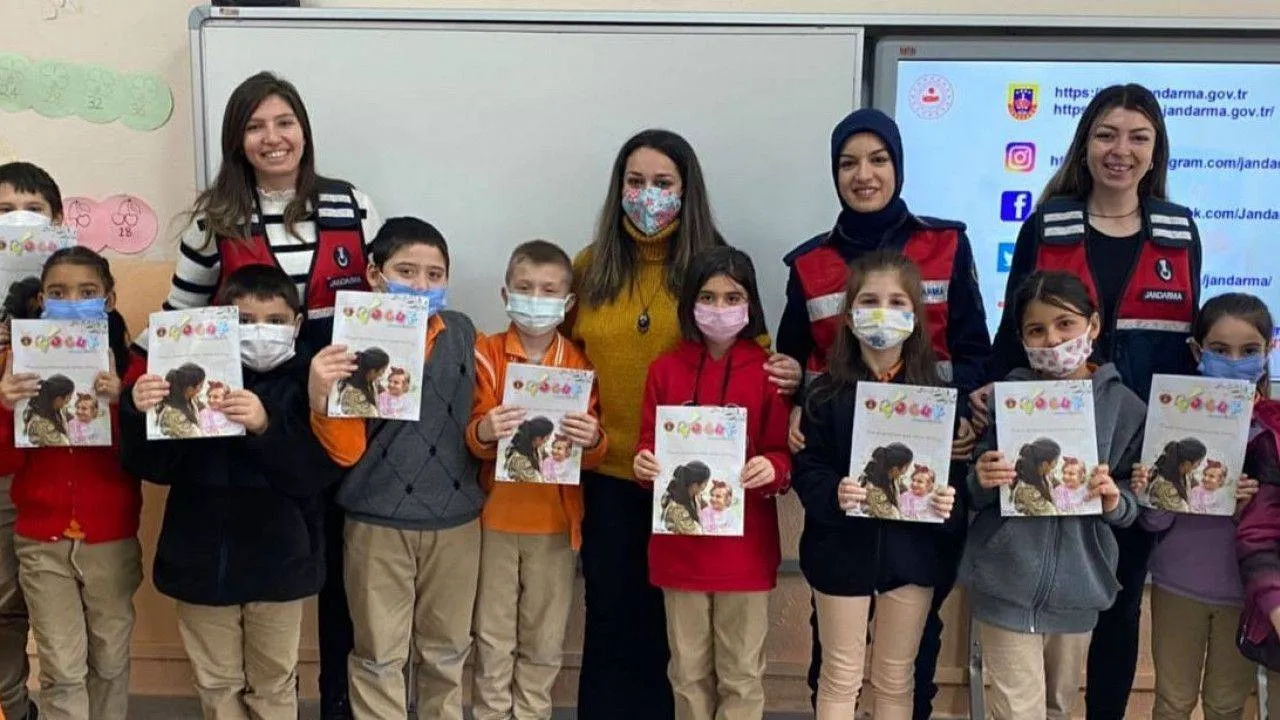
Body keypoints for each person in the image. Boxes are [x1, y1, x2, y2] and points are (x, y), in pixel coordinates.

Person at [974, 85, 1202, 717]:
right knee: (1051, 603)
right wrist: (989, 400)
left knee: (1122, 603)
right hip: (1048, 444)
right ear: (1084, 144)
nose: (1120, 150)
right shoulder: (1048, 224)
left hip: (1136, 454)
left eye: (1138, 137)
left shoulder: (1180, 231)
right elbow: (1011, 335)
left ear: (1156, 150)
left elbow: (1192, 344)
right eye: (1106, 135)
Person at [162, 72, 384, 720]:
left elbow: (384, 305)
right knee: (285, 563)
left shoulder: (352, 205)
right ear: (237, 139)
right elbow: (178, 318)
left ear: (303, 131)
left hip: (341, 415)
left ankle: (338, 704)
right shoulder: (215, 219)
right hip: (256, 422)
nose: (272, 137)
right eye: (255, 126)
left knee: (338, 574)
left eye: (284, 122)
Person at [567, 129, 799, 719]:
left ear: (685, 189)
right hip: (611, 473)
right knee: (611, 623)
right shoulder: (591, 267)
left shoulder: (715, 266)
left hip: (700, 488)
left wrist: (790, 376)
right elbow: (560, 359)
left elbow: (757, 359)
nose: (648, 195)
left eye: (662, 182)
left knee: (679, 645)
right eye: (635, 182)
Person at [778, 109, 988, 718]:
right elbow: (792, 358)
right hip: (841, 499)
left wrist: (960, 423)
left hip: (928, 487)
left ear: (898, 166)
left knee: (910, 666)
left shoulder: (947, 244)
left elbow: (975, 352)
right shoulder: (810, 263)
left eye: (878, 160)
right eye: (848, 163)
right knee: (835, 668)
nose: (863, 174)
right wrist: (792, 404)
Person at [120, 264, 344, 720]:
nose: (260, 331)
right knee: (217, 683)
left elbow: (315, 475)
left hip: (281, 567)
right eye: (243, 320)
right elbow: (153, 467)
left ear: (297, 324)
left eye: (275, 320)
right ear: (220, 321)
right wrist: (138, 412)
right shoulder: (192, 378)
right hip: (201, 562)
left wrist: (265, 425)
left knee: (274, 682)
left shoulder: (311, 383)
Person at [308, 217, 478, 720]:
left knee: (447, 652)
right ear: (374, 274)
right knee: (378, 656)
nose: (421, 285)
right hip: (375, 520)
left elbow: (483, 420)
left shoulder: (464, 333)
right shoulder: (348, 342)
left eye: (434, 274)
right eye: (406, 271)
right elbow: (345, 453)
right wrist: (321, 397)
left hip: (456, 521)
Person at [961, 270, 1143, 720]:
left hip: (1078, 588)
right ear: (1022, 339)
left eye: (1065, 324)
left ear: (1093, 325)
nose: (1053, 340)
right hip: (1005, 580)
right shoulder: (1007, 399)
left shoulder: (1125, 408)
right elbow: (975, 490)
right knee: (1017, 710)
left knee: (1058, 706)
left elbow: (1135, 500)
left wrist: (1114, 500)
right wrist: (981, 478)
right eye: (1036, 330)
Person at [793, 250, 961, 720]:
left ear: (915, 317)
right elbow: (809, 467)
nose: (883, 312)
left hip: (912, 556)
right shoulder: (824, 395)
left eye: (897, 302)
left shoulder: (937, 400)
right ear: (849, 317)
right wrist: (833, 493)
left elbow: (956, 477)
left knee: (896, 679)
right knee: (839, 675)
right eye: (869, 301)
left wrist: (949, 499)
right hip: (839, 555)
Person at [633, 246, 791, 719]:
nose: (719, 308)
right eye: (707, 296)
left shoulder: (768, 372)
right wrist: (644, 465)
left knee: (741, 675)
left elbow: (782, 453)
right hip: (679, 550)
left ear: (750, 304)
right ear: (689, 302)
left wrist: (773, 468)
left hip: (745, 553)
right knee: (686, 674)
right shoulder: (664, 369)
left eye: (732, 297)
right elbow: (647, 445)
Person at [0, 247, 143, 720]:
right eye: (58, 293)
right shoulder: (19, 365)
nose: (72, 302)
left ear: (109, 298)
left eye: (87, 292)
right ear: (42, 300)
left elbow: (144, 457)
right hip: (41, 539)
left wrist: (122, 404)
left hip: (110, 538)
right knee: (62, 668)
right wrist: (4, 406)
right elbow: (5, 460)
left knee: (110, 659)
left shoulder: (132, 367)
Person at [466, 239, 607, 720]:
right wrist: (484, 431)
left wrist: (593, 440)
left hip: (555, 526)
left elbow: (593, 451)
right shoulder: (484, 354)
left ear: (568, 303)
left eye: (549, 291)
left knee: (544, 642)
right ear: (505, 294)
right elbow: (470, 436)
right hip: (492, 522)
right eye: (525, 288)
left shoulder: (580, 367)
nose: (536, 299)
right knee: (492, 639)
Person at [1129, 292, 1269, 720]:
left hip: (1245, 593)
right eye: (1220, 350)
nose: (1234, 361)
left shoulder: (1271, 430)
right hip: (1177, 584)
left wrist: (1251, 508)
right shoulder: (1170, 421)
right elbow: (1154, 521)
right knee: (1172, 701)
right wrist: (1153, 490)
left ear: (1269, 351)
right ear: (1197, 352)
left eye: (1249, 351)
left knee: (1226, 704)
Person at [0, 160, 67, 720]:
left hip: (52, 471)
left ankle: (31, 704)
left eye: (32, 209)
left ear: (57, 220)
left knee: (35, 602)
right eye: (4, 211)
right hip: (3, 468)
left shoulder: (76, 290)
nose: (19, 220)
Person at [1145, 439, 1208, 514]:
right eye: (1199, 462)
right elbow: (1185, 513)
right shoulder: (1165, 487)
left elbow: (1195, 484)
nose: (1198, 465)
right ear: (1187, 463)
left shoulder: (1184, 471)